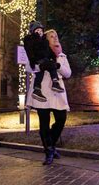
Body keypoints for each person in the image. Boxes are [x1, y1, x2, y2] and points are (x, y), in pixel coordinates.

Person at [26, 29, 71, 165]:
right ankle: (49, 151)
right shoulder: (37, 51)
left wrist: (56, 65)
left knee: (61, 118)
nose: (55, 38)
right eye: (52, 36)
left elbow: (68, 73)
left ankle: (50, 143)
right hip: (43, 91)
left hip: (57, 92)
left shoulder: (61, 55)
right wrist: (42, 65)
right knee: (44, 122)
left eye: (56, 36)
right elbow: (29, 68)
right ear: (46, 40)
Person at [23, 21, 64, 103]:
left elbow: (48, 51)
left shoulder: (44, 41)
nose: (39, 32)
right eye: (37, 30)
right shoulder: (30, 39)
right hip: (37, 60)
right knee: (44, 69)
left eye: (41, 30)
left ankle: (48, 85)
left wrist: (53, 57)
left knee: (48, 67)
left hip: (44, 59)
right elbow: (29, 50)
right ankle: (43, 87)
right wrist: (32, 60)